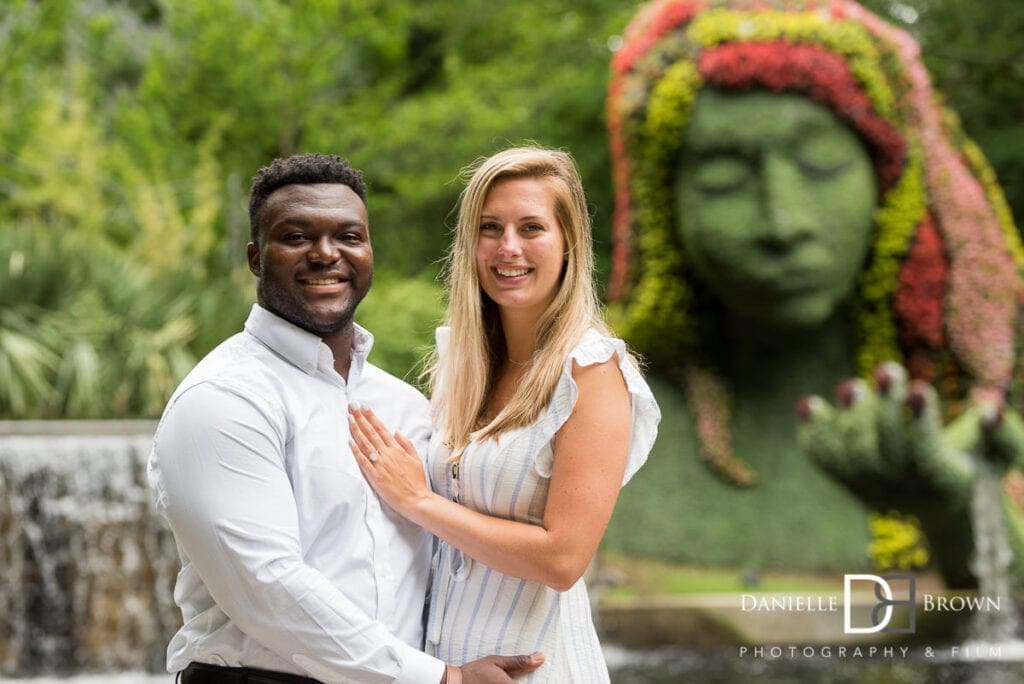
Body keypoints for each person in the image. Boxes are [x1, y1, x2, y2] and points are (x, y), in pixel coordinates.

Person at [600, 0, 1024, 586]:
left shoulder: (980, 419)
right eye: (724, 175)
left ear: (889, 182)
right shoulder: (595, 421)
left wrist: (951, 514)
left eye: (822, 161)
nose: (782, 221)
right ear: (663, 208)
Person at [147, 153, 543, 683]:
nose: (326, 254)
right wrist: (443, 678)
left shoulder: (403, 406)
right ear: (255, 258)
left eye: (348, 236)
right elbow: (267, 588)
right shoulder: (223, 399)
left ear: (369, 251)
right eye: (296, 236)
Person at [347, 146, 661, 682]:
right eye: (491, 228)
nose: (508, 248)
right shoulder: (462, 365)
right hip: (455, 671)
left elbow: (562, 561)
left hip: (537, 668)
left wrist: (419, 501)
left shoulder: (591, 372)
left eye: (532, 227)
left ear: (569, 243)